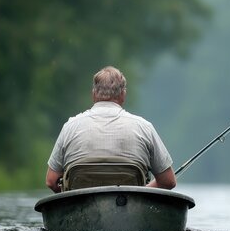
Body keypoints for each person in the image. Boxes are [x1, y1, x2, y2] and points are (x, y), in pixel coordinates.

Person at [45, 66, 176, 193]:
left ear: (94, 94)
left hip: (79, 209)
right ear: (123, 94)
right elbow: (168, 181)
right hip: (132, 209)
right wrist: (140, 192)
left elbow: (51, 181)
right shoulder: (144, 127)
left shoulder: (70, 127)